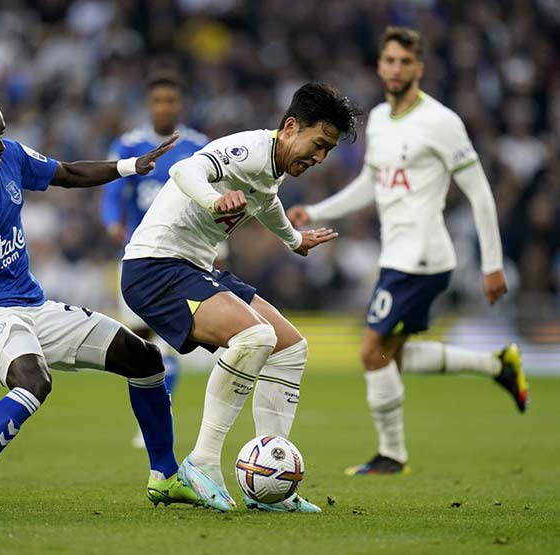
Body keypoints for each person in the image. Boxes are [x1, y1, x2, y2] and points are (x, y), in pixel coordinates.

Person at [0, 86, 203, 513]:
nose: (0, 145)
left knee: (145, 358)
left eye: (2, 134)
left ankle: (165, 477)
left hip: (35, 307)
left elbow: (68, 173)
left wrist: (130, 166)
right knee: (34, 381)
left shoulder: (10, 157)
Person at [287, 27, 529, 477]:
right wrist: (317, 210)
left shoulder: (441, 122)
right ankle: (498, 366)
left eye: (405, 62)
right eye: (389, 60)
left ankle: (391, 455)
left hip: (422, 255)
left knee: (370, 349)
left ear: (419, 68)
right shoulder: (378, 118)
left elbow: (479, 194)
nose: (396, 69)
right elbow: (370, 186)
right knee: (390, 356)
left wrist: (493, 266)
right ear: (380, 65)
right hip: (396, 255)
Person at [121, 82, 360, 512]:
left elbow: (266, 202)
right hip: (155, 267)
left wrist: (294, 240)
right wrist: (214, 199)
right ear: (290, 127)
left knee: (290, 348)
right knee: (256, 337)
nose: (320, 157)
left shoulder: (273, 166)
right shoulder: (248, 149)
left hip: (192, 268)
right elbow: (184, 170)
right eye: (318, 144)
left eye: (327, 150)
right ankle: (202, 463)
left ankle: (273, 482)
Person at [101, 72, 208, 447]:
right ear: (149, 105)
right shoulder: (128, 144)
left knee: (165, 341)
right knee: (139, 345)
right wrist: (113, 222)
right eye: (158, 101)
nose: (165, 107)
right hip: (135, 255)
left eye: (171, 101)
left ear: (181, 105)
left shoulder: (198, 146)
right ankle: (154, 416)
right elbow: (113, 192)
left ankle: (158, 420)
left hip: (179, 256)